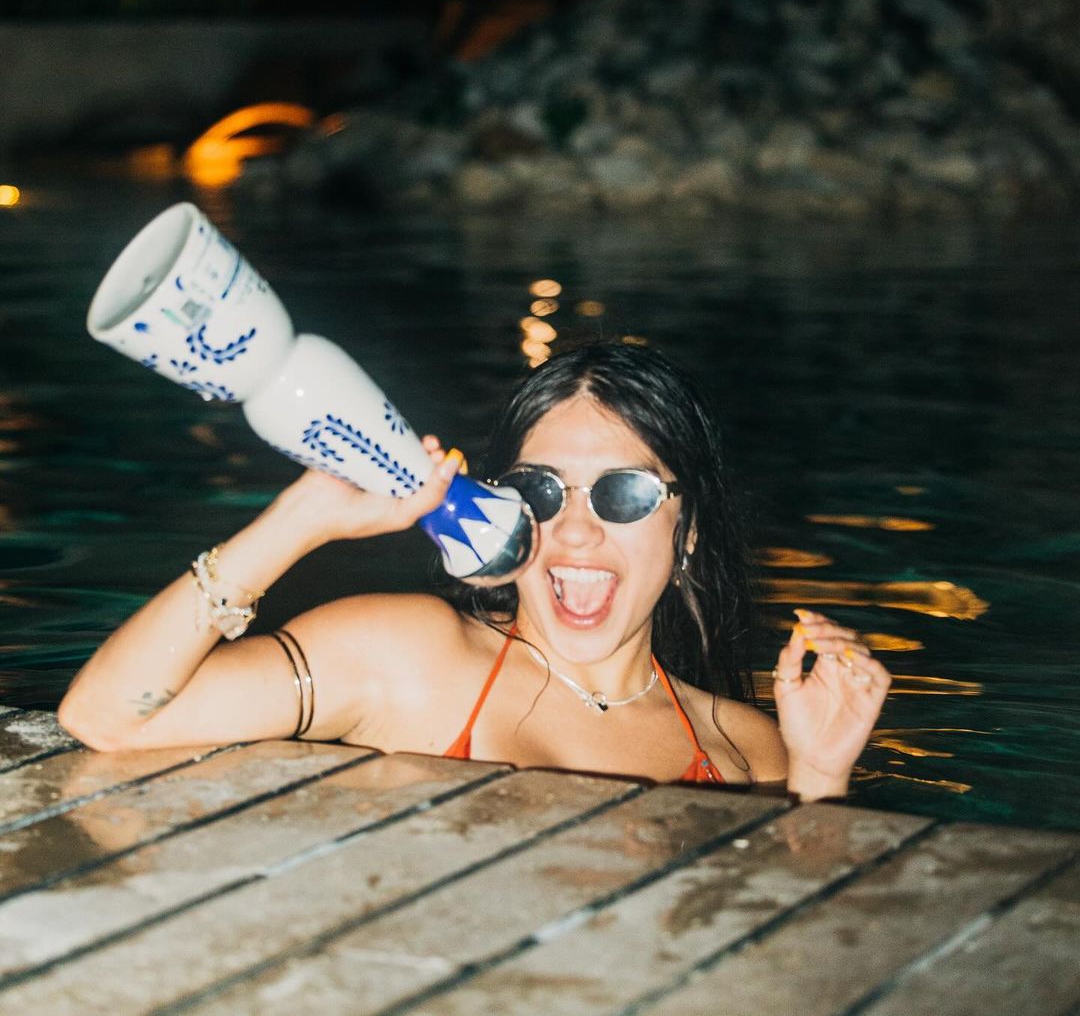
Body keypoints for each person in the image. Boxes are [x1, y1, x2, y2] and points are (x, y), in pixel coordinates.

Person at [59, 342, 890, 800]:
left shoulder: (746, 747)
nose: (576, 530)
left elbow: (802, 955)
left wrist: (823, 775)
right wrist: (300, 522)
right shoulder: (409, 658)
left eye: (625, 493)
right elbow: (105, 717)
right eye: (541, 490)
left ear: (690, 530)